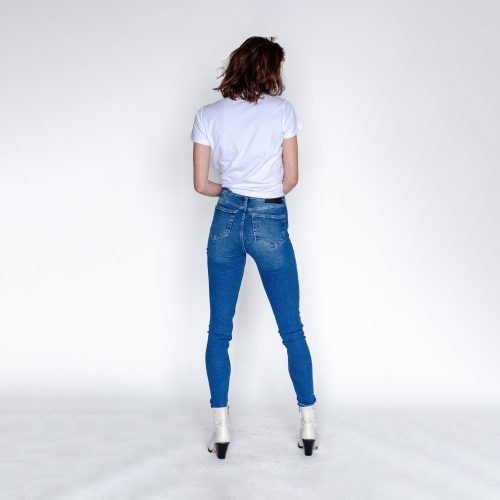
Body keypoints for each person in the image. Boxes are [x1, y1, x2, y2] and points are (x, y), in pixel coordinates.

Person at [190, 36, 318, 458]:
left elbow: (201, 184)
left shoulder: (208, 115)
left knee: (219, 330)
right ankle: (308, 425)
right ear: (270, 70)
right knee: (292, 329)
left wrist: (234, 194)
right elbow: (290, 178)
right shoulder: (282, 112)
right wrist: (259, 196)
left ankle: (221, 430)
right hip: (269, 219)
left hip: (225, 220)